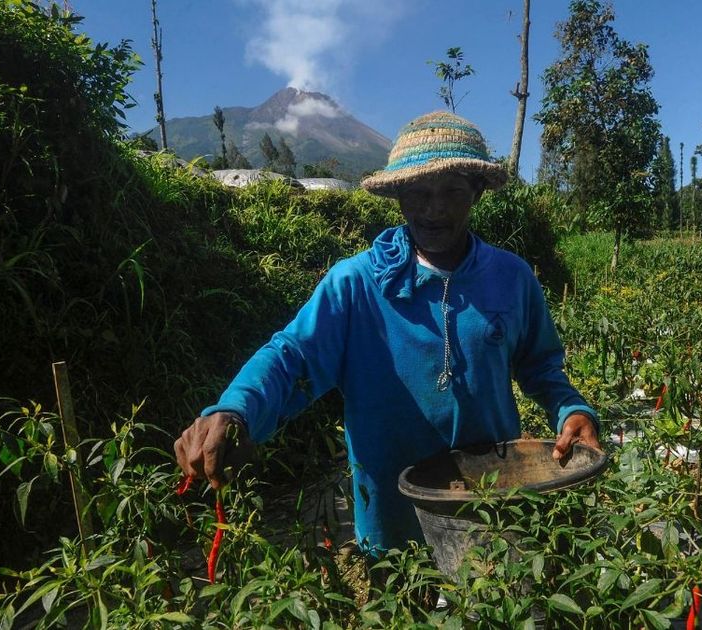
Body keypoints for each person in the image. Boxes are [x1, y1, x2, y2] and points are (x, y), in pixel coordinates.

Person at [173, 110, 601, 557]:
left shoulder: (511, 279)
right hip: (392, 514)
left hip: (490, 501)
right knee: (401, 601)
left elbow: (541, 365)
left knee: (489, 602)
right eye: (419, 192)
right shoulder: (356, 284)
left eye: (453, 191)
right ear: (398, 196)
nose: (435, 208)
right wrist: (235, 411)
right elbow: (293, 356)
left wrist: (570, 408)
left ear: (476, 192)